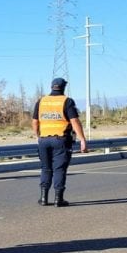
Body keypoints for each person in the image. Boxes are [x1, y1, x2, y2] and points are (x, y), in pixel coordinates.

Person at [32, 78, 88, 207]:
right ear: (63, 87)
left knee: (46, 168)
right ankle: (58, 199)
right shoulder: (66, 101)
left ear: (51, 87)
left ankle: (43, 198)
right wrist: (82, 140)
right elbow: (74, 121)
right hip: (61, 140)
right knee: (59, 169)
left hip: (43, 140)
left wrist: (38, 136)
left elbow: (35, 121)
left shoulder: (41, 101)